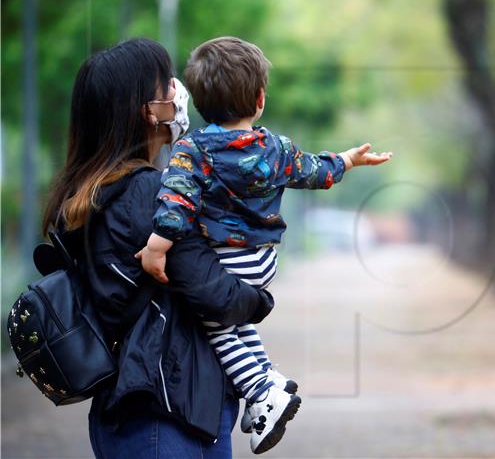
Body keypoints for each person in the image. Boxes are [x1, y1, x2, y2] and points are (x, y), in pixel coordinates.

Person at [136, 36, 393, 453]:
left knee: (213, 324)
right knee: (236, 324)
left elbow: (176, 201)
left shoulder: (193, 149)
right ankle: (271, 378)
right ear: (259, 99)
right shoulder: (275, 147)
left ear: (198, 102)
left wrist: (156, 246)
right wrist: (346, 159)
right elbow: (314, 172)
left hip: (225, 261)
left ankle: (257, 391)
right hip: (263, 262)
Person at [42, 38, 275, 459]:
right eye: (167, 85)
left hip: (154, 408)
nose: (177, 92)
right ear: (148, 112)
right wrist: (260, 297)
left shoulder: (95, 194)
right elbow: (215, 293)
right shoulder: (149, 194)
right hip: (164, 413)